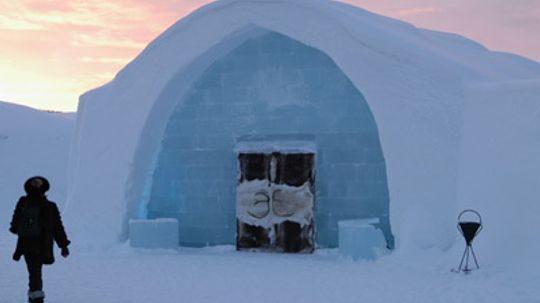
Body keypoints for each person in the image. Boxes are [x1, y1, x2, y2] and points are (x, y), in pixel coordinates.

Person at [9, 176, 71, 303]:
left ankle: (35, 295)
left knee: (34, 270)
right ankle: (36, 297)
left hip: (25, 243)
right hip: (43, 244)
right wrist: (63, 246)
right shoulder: (50, 206)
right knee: (36, 271)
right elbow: (58, 227)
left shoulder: (22, 202)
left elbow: (14, 226)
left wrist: (23, 228)